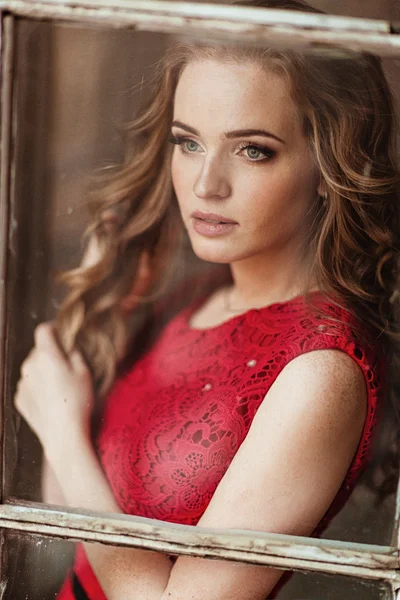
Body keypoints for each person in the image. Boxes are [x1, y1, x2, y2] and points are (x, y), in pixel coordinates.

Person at [14, 0, 400, 599]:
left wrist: (62, 426)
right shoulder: (193, 299)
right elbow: (62, 516)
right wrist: (99, 316)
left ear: (327, 163)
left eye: (253, 150)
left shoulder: (320, 372)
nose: (204, 185)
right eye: (188, 142)